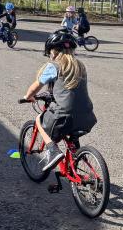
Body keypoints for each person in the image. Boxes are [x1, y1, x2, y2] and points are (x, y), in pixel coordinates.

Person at [21, 31, 97, 171]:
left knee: (39, 119)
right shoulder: (80, 66)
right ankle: (78, 163)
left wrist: (28, 96)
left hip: (64, 115)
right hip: (87, 116)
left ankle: (52, 150)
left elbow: (36, 86)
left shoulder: (54, 66)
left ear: (53, 51)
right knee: (72, 134)